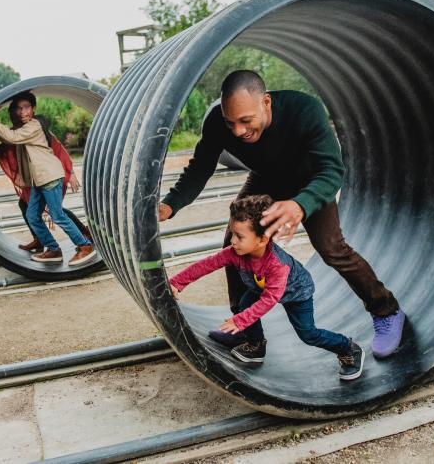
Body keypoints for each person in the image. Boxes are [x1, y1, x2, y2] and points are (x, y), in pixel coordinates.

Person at [159, 70, 405, 358]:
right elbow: (200, 168)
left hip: (310, 182)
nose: (238, 131)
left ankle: (386, 310)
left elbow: (332, 170)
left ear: (266, 102)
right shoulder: (218, 123)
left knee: (332, 249)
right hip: (266, 179)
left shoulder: (305, 111)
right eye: (231, 122)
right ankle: (246, 330)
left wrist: (300, 204)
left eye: (246, 121)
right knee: (236, 245)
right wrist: (171, 204)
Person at [169, 195, 364, 379]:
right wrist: (177, 282)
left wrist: (240, 321)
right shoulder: (234, 252)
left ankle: (347, 348)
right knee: (245, 303)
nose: (232, 240)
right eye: (232, 233)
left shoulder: (277, 265)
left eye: (239, 236)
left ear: (262, 239)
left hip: (296, 293)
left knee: (308, 334)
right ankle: (256, 346)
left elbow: (270, 299)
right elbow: (207, 264)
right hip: (260, 287)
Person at [0, 91, 97, 267]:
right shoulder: (24, 128)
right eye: (19, 109)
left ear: (34, 109)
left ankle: (85, 246)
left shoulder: (33, 126)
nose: (23, 112)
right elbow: (7, 141)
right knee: (32, 215)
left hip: (49, 176)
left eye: (26, 107)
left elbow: (11, 138)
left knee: (58, 215)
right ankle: (53, 249)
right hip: (39, 179)